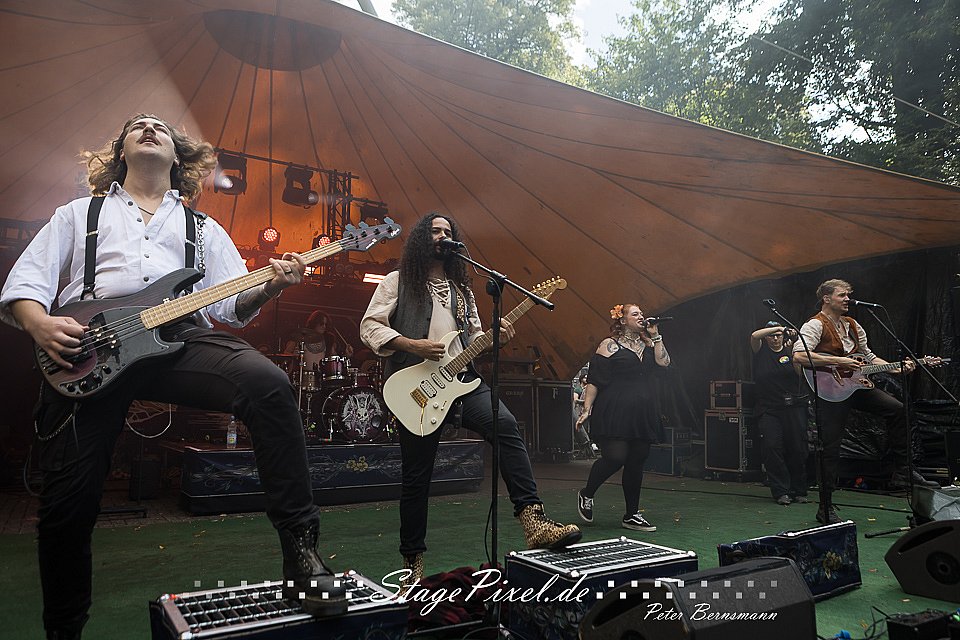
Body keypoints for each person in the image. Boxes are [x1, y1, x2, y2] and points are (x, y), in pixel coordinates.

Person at [0, 114, 346, 639]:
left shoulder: (203, 229)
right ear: (120, 150)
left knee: (269, 385)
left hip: (180, 337)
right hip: (89, 347)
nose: (148, 127)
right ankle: (63, 630)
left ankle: (302, 553)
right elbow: (26, 282)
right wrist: (39, 324)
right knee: (67, 502)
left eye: (159, 126)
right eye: (136, 125)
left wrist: (273, 284)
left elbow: (229, 306)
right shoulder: (78, 213)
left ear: (178, 156)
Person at [359, 212, 581, 584]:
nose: (441, 236)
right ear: (421, 239)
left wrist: (497, 337)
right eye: (434, 231)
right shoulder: (397, 281)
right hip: (416, 387)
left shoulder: (462, 291)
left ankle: (534, 521)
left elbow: (475, 337)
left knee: (506, 426)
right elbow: (370, 326)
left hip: (461, 381)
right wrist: (412, 344)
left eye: (447, 231)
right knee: (416, 477)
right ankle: (412, 564)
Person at [792, 279, 937, 525]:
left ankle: (903, 470)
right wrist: (840, 361)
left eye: (848, 295)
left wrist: (895, 368)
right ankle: (825, 507)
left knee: (897, 409)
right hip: (829, 391)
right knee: (830, 448)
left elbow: (868, 357)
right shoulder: (815, 324)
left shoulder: (852, 325)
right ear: (826, 298)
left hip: (855, 386)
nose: (847, 299)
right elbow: (799, 356)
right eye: (842, 295)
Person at [575, 303, 670, 531]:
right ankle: (587, 493)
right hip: (615, 410)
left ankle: (631, 514)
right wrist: (586, 409)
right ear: (623, 320)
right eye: (635, 314)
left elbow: (664, 363)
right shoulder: (610, 345)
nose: (641, 316)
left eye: (642, 313)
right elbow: (595, 380)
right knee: (615, 457)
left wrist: (656, 336)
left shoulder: (649, 344)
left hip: (642, 412)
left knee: (636, 461)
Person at [750, 321, 810, 506]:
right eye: (772, 335)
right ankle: (781, 491)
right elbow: (754, 335)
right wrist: (780, 328)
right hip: (769, 408)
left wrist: (793, 354)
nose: (775, 338)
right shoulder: (760, 352)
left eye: (778, 336)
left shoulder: (792, 351)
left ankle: (799, 490)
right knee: (772, 447)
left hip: (794, 407)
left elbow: (800, 374)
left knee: (797, 448)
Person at [283, 309, 354, 369]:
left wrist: (346, 356)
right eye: (321, 323)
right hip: (302, 375)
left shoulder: (328, 339)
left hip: (321, 376)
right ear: (314, 323)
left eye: (326, 324)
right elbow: (286, 353)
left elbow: (334, 359)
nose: (324, 326)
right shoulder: (302, 336)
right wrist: (293, 355)